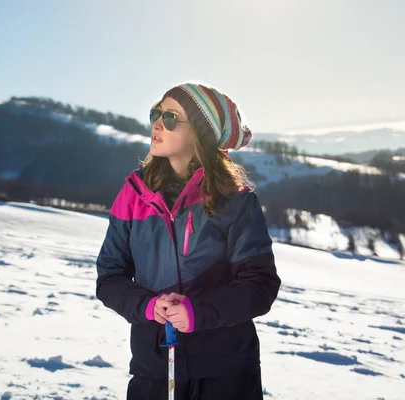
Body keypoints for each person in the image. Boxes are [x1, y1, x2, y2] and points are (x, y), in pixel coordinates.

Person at [95, 82, 281, 400]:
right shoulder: (133, 195)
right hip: (153, 369)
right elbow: (109, 277)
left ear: (199, 133)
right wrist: (148, 306)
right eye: (157, 113)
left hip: (225, 372)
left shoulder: (235, 200)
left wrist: (200, 311)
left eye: (170, 118)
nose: (156, 123)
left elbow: (260, 285)